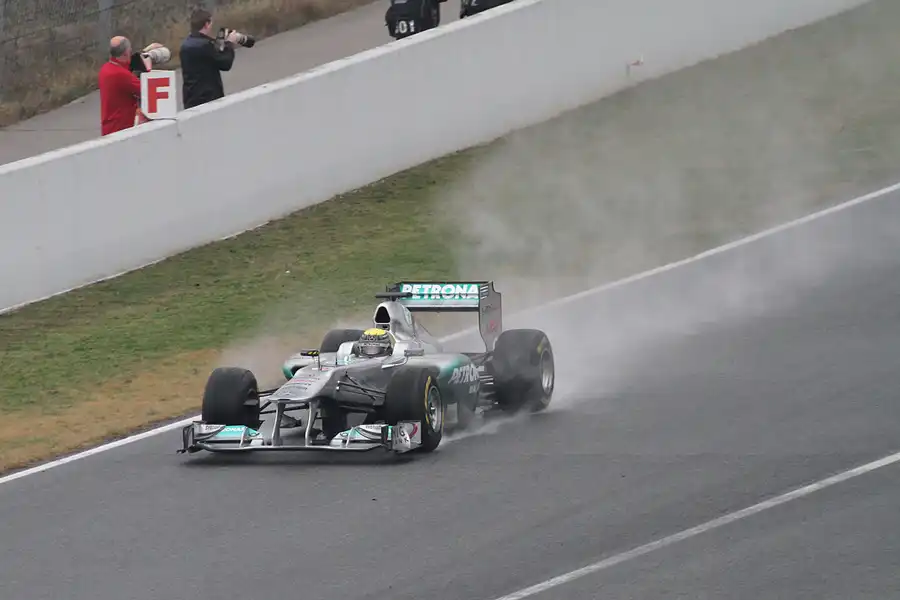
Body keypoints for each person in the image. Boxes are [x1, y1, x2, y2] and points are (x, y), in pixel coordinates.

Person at [179, 9, 240, 109]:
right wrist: (229, 44)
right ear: (206, 24)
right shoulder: (205, 46)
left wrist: (220, 41)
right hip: (209, 99)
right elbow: (225, 63)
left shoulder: (186, 45)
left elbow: (208, 56)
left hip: (191, 99)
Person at [98, 36, 151, 136]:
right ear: (126, 52)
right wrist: (148, 69)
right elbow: (147, 91)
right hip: (121, 128)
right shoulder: (121, 74)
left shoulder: (106, 69)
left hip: (110, 125)